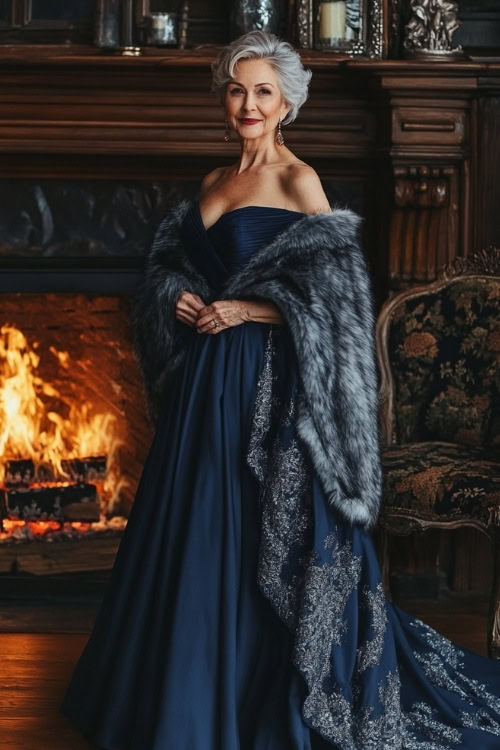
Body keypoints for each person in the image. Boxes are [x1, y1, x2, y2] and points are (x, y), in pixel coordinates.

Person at [59, 30, 500, 750]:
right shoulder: (210, 183)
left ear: (288, 100)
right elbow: (173, 270)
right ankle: (181, 696)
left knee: (261, 533)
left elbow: (340, 306)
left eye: (263, 90)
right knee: (197, 529)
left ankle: (253, 705)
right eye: (236, 89)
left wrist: (252, 309)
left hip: (269, 386)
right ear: (223, 97)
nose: (248, 103)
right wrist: (177, 295)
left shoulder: (299, 181)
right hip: (207, 383)